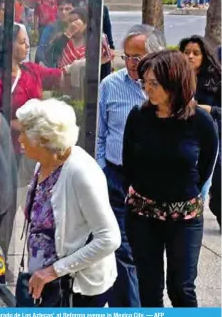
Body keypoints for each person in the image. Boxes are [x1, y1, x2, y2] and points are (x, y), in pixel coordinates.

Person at [123, 50, 219, 307]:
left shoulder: (201, 121)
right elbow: (128, 164)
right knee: (149, 289)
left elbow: (206, 167)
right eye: (145, 83)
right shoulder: (138, 117)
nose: (147, 89)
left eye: (154, 83)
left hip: (185, 217)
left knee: (182, 288)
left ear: (175, 83)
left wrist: (181, 194)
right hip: (142, 216)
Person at [16, 98, 121, 307]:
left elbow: (109, 238)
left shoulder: (81, 172)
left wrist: (53, 271)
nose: (19, 139)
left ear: (43, 140)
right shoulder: (44, 163)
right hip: (47, 286)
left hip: (76, 292)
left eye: (23, 133)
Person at [95, 24, 165, 308]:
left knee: (147, 253)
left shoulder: (165, 91)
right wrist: (102, 172)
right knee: (121, 250)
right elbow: (100, 134)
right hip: (117, 178)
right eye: (127, 57)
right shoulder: (110, 85)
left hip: (155, 183)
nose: (133, 64)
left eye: (139, 57)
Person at [179, 35, 221, 225]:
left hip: (211, 138)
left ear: (204, 56)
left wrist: (207, 110)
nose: (190, 57)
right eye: (186, 52)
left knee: (212, 183)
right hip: (181, 139)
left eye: (195, 53)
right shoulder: (174, 79)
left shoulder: (216, 81)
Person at [35, 0, 75, 67]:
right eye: (61, 9)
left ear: (74, 10)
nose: (63, 12)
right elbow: (41, 51)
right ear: (57, 11)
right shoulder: (50, 28)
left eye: (67, 9)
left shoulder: (78, 28)